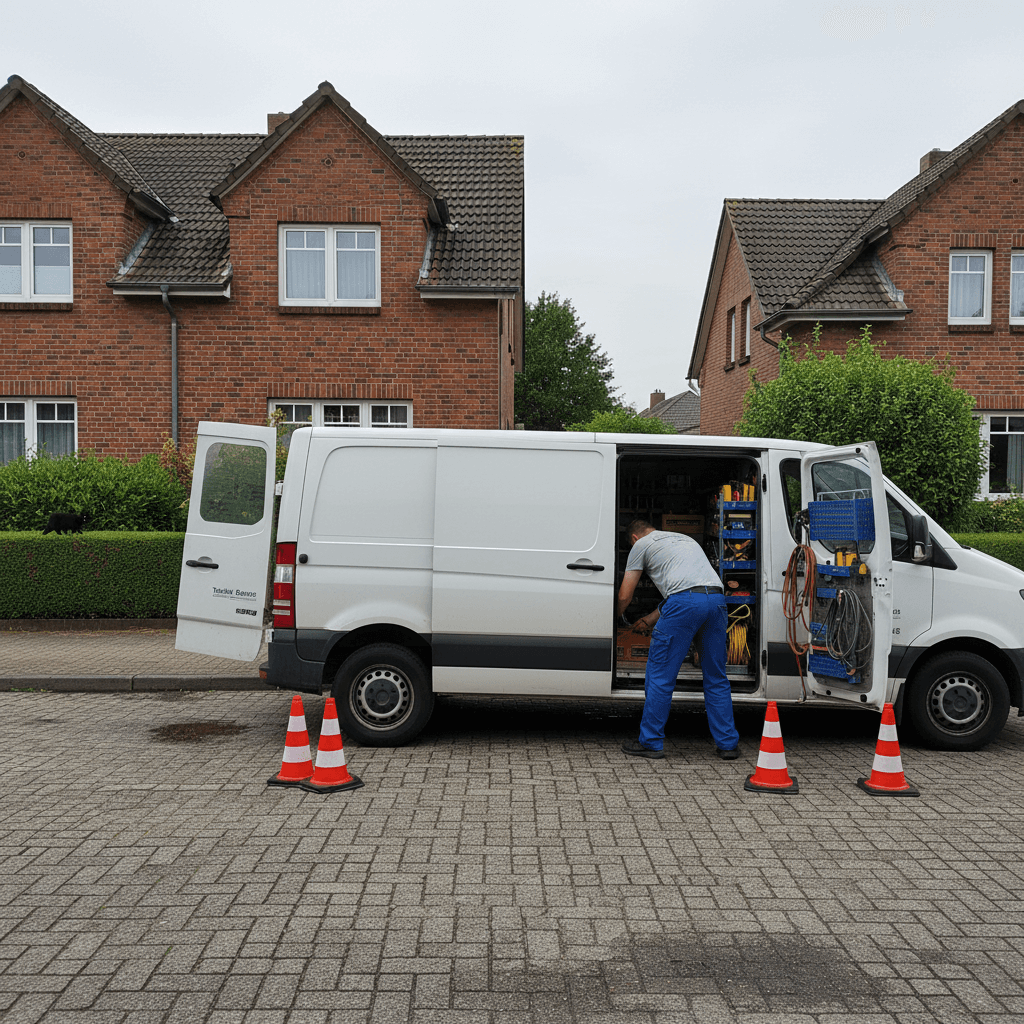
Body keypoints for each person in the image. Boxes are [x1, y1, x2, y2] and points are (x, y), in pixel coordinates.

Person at [617, 518, 740, 760]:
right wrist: (651, 618)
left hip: (684, 604)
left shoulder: (641, 545)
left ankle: (650, 742)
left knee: (661, 676)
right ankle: (727, 745)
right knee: (716, 676)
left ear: (634, 538)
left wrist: (613, 618)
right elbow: (691, 588)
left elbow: (625, 595)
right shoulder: (684, 539)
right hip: (716, 602)